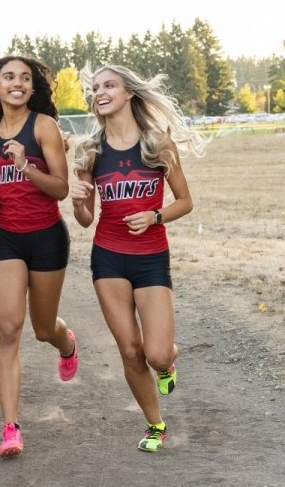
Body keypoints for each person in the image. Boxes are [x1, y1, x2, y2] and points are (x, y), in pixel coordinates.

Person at [70, 64, 205, 452]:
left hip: (151, 258)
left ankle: (166, 365)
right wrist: (77, 203)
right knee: (130, 350)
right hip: (108, 257)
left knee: (156, 352)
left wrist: (155, 216)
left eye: (109, 85)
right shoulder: (90, 150)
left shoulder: (158, 144)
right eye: (95, 88)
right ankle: (155, 424)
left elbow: (185, 201)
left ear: (129, 92)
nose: (100, 92)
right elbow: (84, 220)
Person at [0, 55, 79, 458]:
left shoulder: (44, 126)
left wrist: (26, 166)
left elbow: (61, 189)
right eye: (8, 77)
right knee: (8, 329)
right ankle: (11, 426)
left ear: (32, 88)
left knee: (42, 328)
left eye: (24, 78)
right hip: (5, 239)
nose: (17, 83)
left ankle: (66, 344)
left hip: (46, 237)